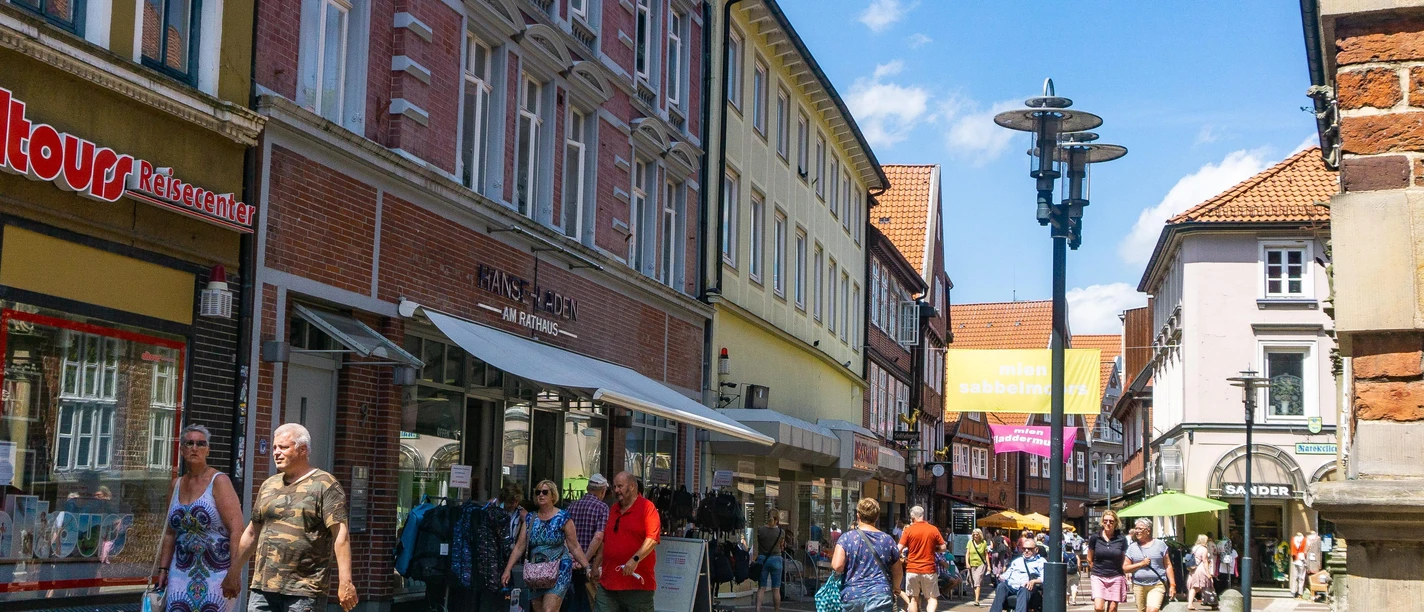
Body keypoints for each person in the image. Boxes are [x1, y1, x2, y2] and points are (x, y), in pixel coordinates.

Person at [226, 423, 357, 612]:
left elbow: (340, 535)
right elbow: (253, 532)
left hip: (304, 591)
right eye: (274, 447)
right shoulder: (269, 485)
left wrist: (346, 581)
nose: (276, 453)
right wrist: (234, 571)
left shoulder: (325, 485)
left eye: (283, 447)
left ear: (302, 449)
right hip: (263, 589)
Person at [150, 425, 245, 612]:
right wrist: (163, 570)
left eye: (201, 444)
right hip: (180, 570)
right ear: (182, 449)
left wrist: (234, 573)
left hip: (217, 573)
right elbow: (169, 533)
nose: (195, 448)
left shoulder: (219, 481)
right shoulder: (176, 485)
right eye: (189, 443)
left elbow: (237, 530)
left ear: (208, 450)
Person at [502, 480, 591, 612]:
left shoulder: (563, 517)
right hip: (536, 571)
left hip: (559, 568)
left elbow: (574, 546)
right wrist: (507, 570)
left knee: (548, 610)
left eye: (545, 492)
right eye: (538, 492)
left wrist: (587, 566)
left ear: (553, 495)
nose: (541, 495)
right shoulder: (530, 518)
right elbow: (519, 547)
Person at [592, 472, 659, 612]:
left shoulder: (647, 507)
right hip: (609, 582)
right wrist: (596, 565)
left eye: (620, 486)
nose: (616, 490)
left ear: (632, 486)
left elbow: (652, 539)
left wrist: (635, 559)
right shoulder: (613, 509)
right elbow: (606, 541)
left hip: (636, 585)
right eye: (615, 486)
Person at [831, 498, 903, 612]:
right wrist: (896, 587)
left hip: (852, 595)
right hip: (880, 595)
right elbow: (898, 571)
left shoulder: (846, 538)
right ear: (877, 516)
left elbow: (837, 566)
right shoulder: (887, 540)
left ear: (858, 515)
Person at [567, 475, 610, 612]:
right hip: (590, 566)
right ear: (602, 491)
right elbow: (598, 537)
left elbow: (564, 536)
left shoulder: (571, 507)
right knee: (590, 604)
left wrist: (575, 559)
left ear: (587, 488)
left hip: (570, 564)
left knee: (573, 603)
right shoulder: (602, 508)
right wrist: (584, 561)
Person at [898, 505, 946, 612]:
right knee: (932, 598)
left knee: (913, 599)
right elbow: (943, 547)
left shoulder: (908, 530)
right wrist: (934, 549)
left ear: (912, 517)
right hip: (929, 569)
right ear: (922, 515)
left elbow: (899, 549)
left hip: (912, 569)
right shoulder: (933, 529)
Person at [1123, 518, 1174, 612]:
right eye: (1136, 528)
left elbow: (1168, 565)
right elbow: (1125, 568)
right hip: (1138, 585)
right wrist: (1141, 564)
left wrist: (1172, 585)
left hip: (1157, 584)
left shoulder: (1160, 545)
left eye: (1140, 529)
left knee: (1152, 610)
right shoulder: (1132, 547)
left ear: (1148, 530)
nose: (1137, 531)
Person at [1086, 510, 1129, 612]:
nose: (1108, 523)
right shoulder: (1095, 538)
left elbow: (1123, 559)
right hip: (1098, 576)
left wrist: (1125, 573)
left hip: (1116, 576)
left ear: (1116, 523)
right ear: (1102, 522)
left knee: (1112, 609)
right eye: (1105, 521)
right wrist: (1096, 569)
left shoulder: (1121, 539)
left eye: (1111, 521)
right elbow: (1089, 558)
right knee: (1098, 607)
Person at [987, 540, 1046, 612]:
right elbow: (1007, 574)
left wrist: (1034, 581)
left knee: (1024, 590)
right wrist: (1000, 577)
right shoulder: (1017, 561)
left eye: (1029, 549)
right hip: (1012, 586)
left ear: (1036, 550)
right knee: (1001, 586)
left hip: (1026, 587)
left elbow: (1045, 577)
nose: (1026, 551)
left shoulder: (1041, 561)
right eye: (1024, 549)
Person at [755, 511, 788, 612]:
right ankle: (776, 610)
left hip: (762, 559)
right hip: (776, 559)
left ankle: (757, 609)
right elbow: (782, 546)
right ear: (777, 519)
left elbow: (759, 542)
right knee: (776, 588)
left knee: (762, 587)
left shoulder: (760, 529)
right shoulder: (781, 532)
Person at [1186, 534, 1214, 611]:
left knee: (1195, 586)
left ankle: (1190, 603)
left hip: (1193, 568)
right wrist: (1208, 573)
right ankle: (1212, 602)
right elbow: (1205, 561)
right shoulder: (1204, 549)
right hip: (1200, 568)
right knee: (1205, 584)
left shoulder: (1195, 548)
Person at [966, 528, 991, 607]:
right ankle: (975, 595)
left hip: (981, 564)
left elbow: (986, 555)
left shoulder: (983, 543)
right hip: (972, 564)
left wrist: (989, 566)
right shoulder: (970, 542)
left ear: (980, 535)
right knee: (972, 581)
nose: (975, 536)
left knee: (977, 580)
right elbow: (967, 554)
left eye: (977, 534)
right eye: (974, 534)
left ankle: (977, 600)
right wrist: (967, 563)